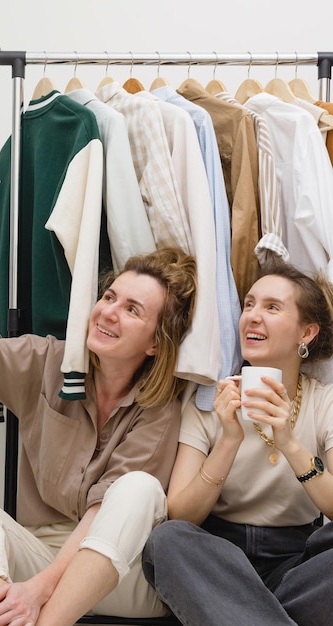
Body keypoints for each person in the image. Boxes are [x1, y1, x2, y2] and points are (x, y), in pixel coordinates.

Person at [0, 207, 197, 626]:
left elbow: (102, 515)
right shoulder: (46, 360)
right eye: (109, 297)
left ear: (156, 345)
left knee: (138, 489)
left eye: (132, 310)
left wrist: (37, 592)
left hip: (117, 576)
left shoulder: (158, 409)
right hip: (40, 551)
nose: (108, 311)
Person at [142, 257, 333, 626]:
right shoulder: (207, 398)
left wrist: (290, 443)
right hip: (219, 560)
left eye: (272, 307)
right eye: (248, 305)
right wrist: (229, 440)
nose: (252, 316)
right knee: (168, 539)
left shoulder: (324, 402)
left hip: (296, 562)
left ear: (305, 333)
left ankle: (238, 613)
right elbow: (182, 513)